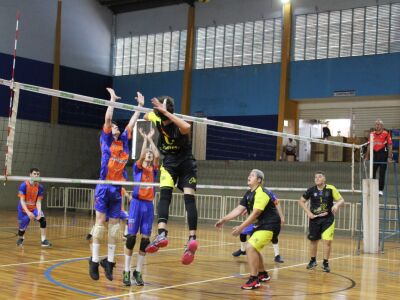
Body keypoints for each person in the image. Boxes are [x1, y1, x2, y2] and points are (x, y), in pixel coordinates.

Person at [88, 88, 143, 281]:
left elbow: (132, 123)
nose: (115, 128)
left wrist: (139, 107)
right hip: (104, 186)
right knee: (100, 225)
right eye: (113, 127)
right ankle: (94, 260)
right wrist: (112, 100)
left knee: (114, 228)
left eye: (117, 127)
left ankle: (109, 262)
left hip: (116, 188)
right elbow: (108, 119)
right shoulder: (105, 139)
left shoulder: (125, 144)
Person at [143, 96, 199, 265]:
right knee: (187, 198)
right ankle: (192, 238)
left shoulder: (171, 124)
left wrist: (159, 111)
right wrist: (162, 111)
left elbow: (147, 116)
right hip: (179, 164)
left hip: (179, 164)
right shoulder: (170, 121)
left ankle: (162, 233)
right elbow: (186, 126)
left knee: (166, 197)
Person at [215, 169, 281, 290]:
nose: (249, 176)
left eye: (252, 175)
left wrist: (241, 228)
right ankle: (262, 274)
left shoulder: (261, 193)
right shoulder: (249, 193)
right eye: (249, 175)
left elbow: (255, 214)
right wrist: (224, 219)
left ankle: (254, 280)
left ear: (259, 180)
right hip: (261, 224)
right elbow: (239, 209)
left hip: (271, 225)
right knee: (254, 248)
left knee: (250, 247)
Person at [123, 127, 159, 286]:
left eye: (150, 154)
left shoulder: (154, 170)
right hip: (136, 205)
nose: (150, 155)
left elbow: (157, 155)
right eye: (147, 153)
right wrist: (144, 140)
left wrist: (151, 139)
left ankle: (138, 272)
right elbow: (142, 154)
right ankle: (126, 271)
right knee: (131, 239)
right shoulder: (138, 167)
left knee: (145, 241)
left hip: (148, 206)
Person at [298, 171, 344, 273]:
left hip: (328, 219)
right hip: (314, 220)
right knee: (313, 240)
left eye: (319, 177)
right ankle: (313, 260)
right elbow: (301, 201)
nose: (317, 179)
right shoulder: (311, 190)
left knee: (327, 241)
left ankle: (325, 263)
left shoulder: (331, 188)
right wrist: (308, 212)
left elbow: (341, 200)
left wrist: (336, 205)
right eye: (315, 177)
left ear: (324, 179)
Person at [232, 189, 285, 263]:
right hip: (256, 221)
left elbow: (276, 202)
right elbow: (254, 206)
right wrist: (247, 210)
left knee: (273, 236)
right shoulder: (250, 193)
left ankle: (277, 255)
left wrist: (281, 216)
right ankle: (243, 250)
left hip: (267, 222)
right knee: (242, 232)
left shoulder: (266, 193)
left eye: (252, 176)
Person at [16, 168, 52, 247]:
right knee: (22, 228)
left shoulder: (40, 187)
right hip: (23, 209)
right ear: (30, 174)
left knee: (43, 219)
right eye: (35, 174)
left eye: (38, 174)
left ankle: (43, 240)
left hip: (33, 208)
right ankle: (21, 238)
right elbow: (22, 201)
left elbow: (38, 201)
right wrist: (28, 213)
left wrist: (39, 212)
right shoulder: (23, 185)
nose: (36, 175)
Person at [365, 119, 393, 196]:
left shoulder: (386, 134)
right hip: (374, 154)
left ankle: (380, 190)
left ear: (382, 126)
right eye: (376, 124)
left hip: (383, 155)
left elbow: (390, 146)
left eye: (379, 124)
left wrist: (389, 157)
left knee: (382, 173)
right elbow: (369, 145)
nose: (377, 126)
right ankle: (373, 189)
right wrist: (367, 156)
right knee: (372, 173)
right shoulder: (372, 134)